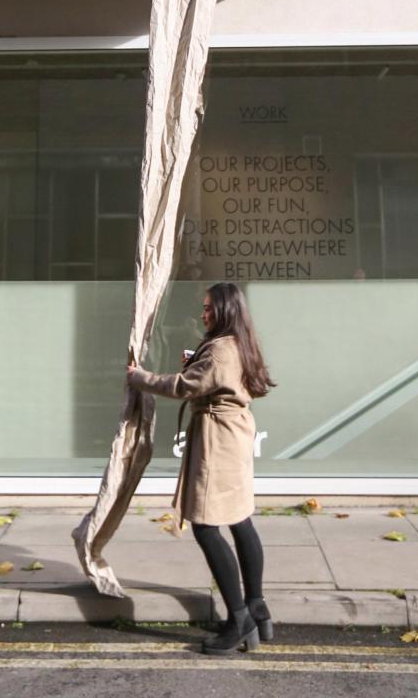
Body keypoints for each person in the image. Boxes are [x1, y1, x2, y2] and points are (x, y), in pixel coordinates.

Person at [127, 281, 275, 656]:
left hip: (217, 442)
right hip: (235, 434)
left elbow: (183, 387)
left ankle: (239, 619)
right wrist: (198, 364)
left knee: (206, 525)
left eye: (209, 308)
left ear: (225, 310)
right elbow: (214, 379)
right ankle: (257, 607)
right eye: (204, 307)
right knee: (240, 519)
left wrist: (139, 377)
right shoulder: (240, 342)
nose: (203, 313)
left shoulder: (221, 350)